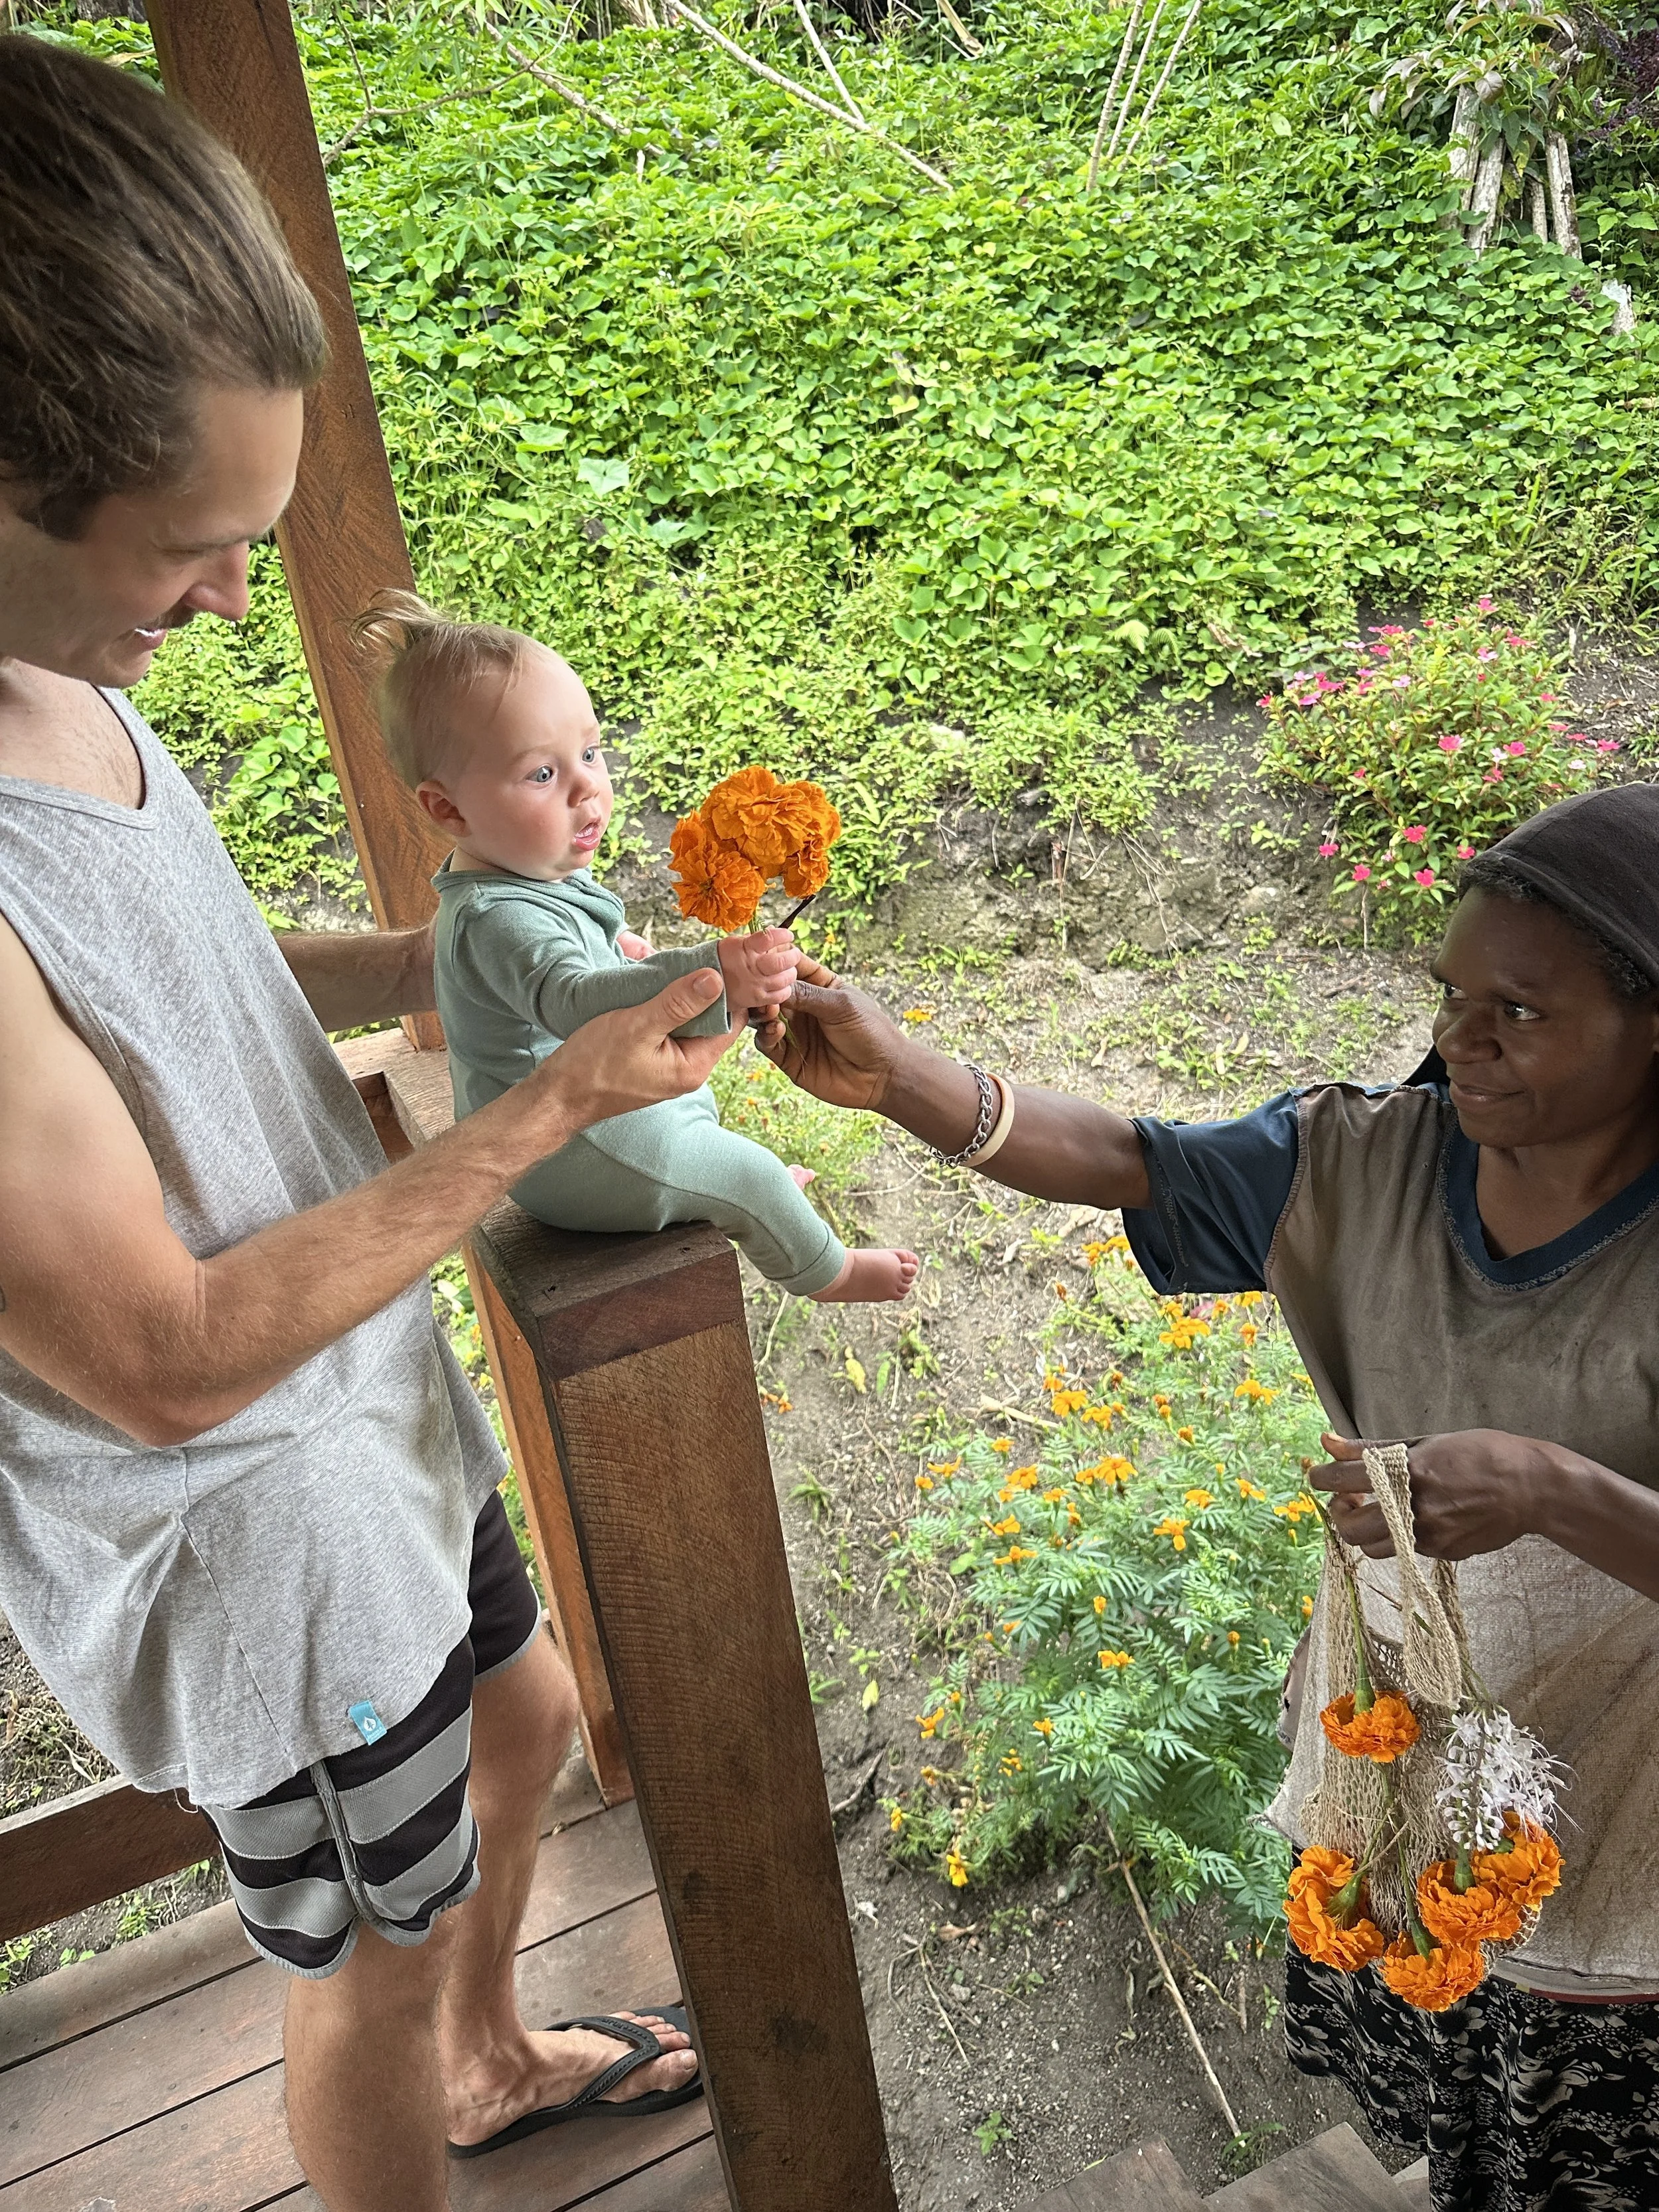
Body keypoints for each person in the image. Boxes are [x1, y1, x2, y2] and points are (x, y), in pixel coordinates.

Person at [0, 39, 719, 2209]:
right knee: (365, 1973)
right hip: (257, 1539)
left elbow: (181, 965)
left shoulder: (60, 670)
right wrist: (556, 1101)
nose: (228, 600)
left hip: (364, 1412)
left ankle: (493, 2063)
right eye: (189, 547)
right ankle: (434, 2081)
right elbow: (155, 1355)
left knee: (527, 1723)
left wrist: (453, 967)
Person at [758, 782, 1659, 2212]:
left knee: (1587, 2118)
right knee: (1457, 2059)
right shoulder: (1372, 1160)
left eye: (1521, 1012)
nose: (1457, 1039)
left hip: (1632, 1781)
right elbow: (1134, 1159)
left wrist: (1552, 1488)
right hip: (1422, 1722)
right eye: (1448, 994)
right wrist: (898, 1075)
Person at [353, 591, 920, 1302]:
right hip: (567, 1150)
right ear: (448, 808)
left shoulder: (522, 874)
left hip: (587, 1109)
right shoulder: (495, 919)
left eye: (589, 752)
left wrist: (616, 948)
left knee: (698, 1122)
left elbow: (570, 957)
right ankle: (827, 1268)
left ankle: (706, 1187)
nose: (588, 786)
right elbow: (573, 1002)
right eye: (542, 773)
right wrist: (709, 971)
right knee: (748, 1173)